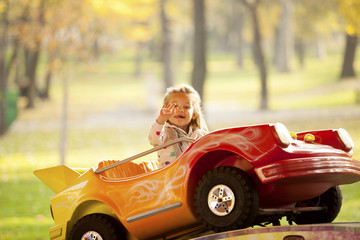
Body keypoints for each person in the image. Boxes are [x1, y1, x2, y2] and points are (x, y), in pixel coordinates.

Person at [148, 84, 208, 167]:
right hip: (169, 176)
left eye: (186, 107)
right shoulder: (165, 132)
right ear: (166, 110)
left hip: (190, 173)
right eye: (175, 106)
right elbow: (154, 140)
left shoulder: (197, 134)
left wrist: (201, 136)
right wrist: (161, 120)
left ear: (194, 113)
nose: (180, 110)